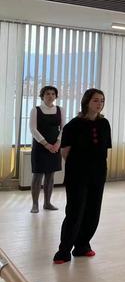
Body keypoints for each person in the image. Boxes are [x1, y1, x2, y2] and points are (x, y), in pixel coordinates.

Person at [53, 89, 111, 264]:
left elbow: (104, 149)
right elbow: (65, 152)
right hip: (77, 174)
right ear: (86, 102)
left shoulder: (104, 124)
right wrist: (79, 167)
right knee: (75, 211)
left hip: (98, 173)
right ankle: (64, 251)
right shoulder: (73, 125)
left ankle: (82, 246)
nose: (99, 104)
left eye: (102, 100)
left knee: (93, 211)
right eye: (96, 100)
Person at [29, 85, 65, 213]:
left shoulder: (60, 110)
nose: (50, 96)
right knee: (37, 175)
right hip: (40, 146)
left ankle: (47, 203)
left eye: (53, 94)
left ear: (56, 96)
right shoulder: (35, 110)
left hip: (55, 146)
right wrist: (46, 144)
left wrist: (58, 143)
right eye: (47, 94)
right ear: (42, 96)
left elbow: (63, 128)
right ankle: (35, 205)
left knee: (50, 176)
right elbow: (33, 129)